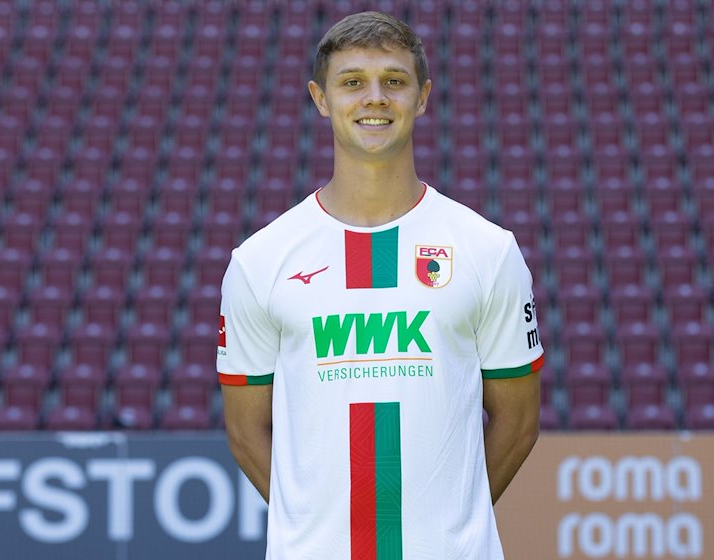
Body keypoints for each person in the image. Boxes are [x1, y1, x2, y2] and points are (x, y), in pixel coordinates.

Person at [217, 11, 542, 559]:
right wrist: (315, 532)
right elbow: (247, 435)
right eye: (352, 83)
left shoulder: (488, 250)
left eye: (394, 81)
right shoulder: (260, 261)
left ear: (423, 96)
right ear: (320, 99)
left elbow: (519, 421)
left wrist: (450, 529)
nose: (374, 98)